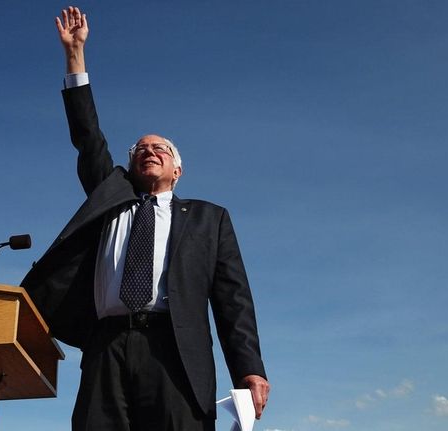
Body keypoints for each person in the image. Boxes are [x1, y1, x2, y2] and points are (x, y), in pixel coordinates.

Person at [21, 7, 269, 430]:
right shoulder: (111, 195)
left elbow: (233, 301)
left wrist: (249, 367)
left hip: (176, 349)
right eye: (140, 148)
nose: (149, 150)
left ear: (178, 170)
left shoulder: (210, 219)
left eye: (161, 149)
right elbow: (87, 136)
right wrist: (75, 57)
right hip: (106, 346)